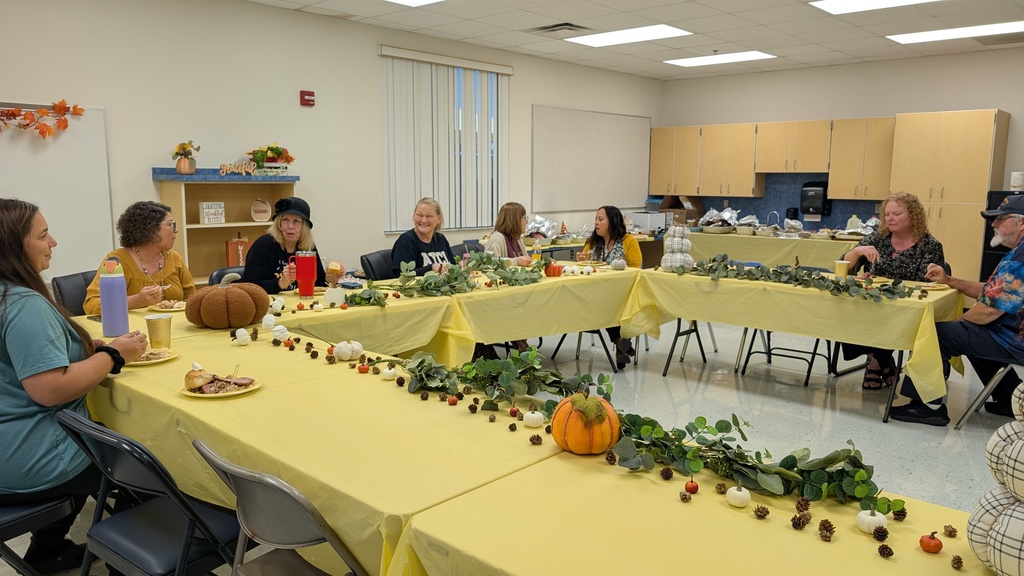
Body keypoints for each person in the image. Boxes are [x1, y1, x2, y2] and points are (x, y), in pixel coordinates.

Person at [0, 198, 148, 574]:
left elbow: (21, 360)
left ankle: (47, 553)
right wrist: (114, 356)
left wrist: (87, 348)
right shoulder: (22, 305)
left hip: (9, 448)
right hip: (30, 460)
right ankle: (131, 560)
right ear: (14, 246)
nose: (54, 243)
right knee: (146, 466)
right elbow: (49, 388)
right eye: (44, 235)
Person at [890, 195, 1024, 426]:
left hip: (1014, 340)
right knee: (974, 333)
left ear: (1020, 223)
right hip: (1011, 336)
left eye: (1000, 219)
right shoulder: (1018, 253)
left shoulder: (1020, 258)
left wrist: (960, 325)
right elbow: (995, 291)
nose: (993, 224)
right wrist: (950, 280)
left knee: (933, 333)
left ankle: (927, 406)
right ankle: (1008, 399)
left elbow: (988, 312)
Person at [839, 192, 946, 389]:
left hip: (905, 308)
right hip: (872, 304)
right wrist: (855, 252)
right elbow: (842, 269)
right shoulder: (877, 239)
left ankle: (876, 362)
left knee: (887, 316)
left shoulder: (929, 245)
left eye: (896, 213)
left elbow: (927, 284)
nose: (889, 218)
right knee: (847, 307)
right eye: (887, 214)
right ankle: (882, 360)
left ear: (913, 216)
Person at [83, 201, 196, 314]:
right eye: (170, 224)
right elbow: (91, 305)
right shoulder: (116, 261)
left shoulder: (174, 258)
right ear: (150, 229)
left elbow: (192, 298)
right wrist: (135, 301)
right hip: (133, 330)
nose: (175, 230)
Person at [240, 197, 343, 294]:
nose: (290, 226)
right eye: (285, 220)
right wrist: (280, 283)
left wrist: (331, 278)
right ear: (279, 224)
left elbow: (318, 285)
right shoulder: (263, 245)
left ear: (304, 227)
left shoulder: (308, 247)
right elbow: (249, 287)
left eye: (296, 221)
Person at [581, 205, 642, 369]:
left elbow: (636, 270)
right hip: (595, 293)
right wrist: (581, 261)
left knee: (612, 304)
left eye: (600, 219)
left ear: (613, 222)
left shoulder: (629, 242)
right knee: (605, 303)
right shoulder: (592, 243)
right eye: (595, 219)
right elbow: (583, 267)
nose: (596, 223)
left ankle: (619, 342)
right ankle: (620, 343)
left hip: (624, 293)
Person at [391, 197, 454, 277]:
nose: (423, 220)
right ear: (414, 216)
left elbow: (451, 266)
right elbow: (403, 276)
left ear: (438, 219)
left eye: (429, 216)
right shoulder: (405, 241)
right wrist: (432, 268)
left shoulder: (441, 239)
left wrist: (460, 266)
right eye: (419, 215)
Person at [484, 202, 532, 266]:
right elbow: (490, 264)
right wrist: (515, 262)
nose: (526, 222)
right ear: (515, 220)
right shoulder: (497, 239)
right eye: (525, 218)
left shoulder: (517, 238)